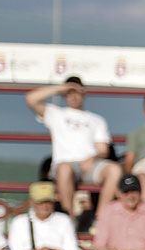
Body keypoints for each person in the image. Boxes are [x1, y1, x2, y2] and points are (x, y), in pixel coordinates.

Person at [24, 77, 122, 219]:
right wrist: (61, 88)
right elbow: (31, 98)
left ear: (84, 93)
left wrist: (91, 159)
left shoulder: (97, 119)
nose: (73, 96)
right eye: (69, 92)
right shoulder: (55, 113)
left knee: (115, 170)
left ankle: (101, 219)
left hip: (91, 165)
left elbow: (103, 150)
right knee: (64, 169)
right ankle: (68, 219)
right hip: (64, 164)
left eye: (76, 92)